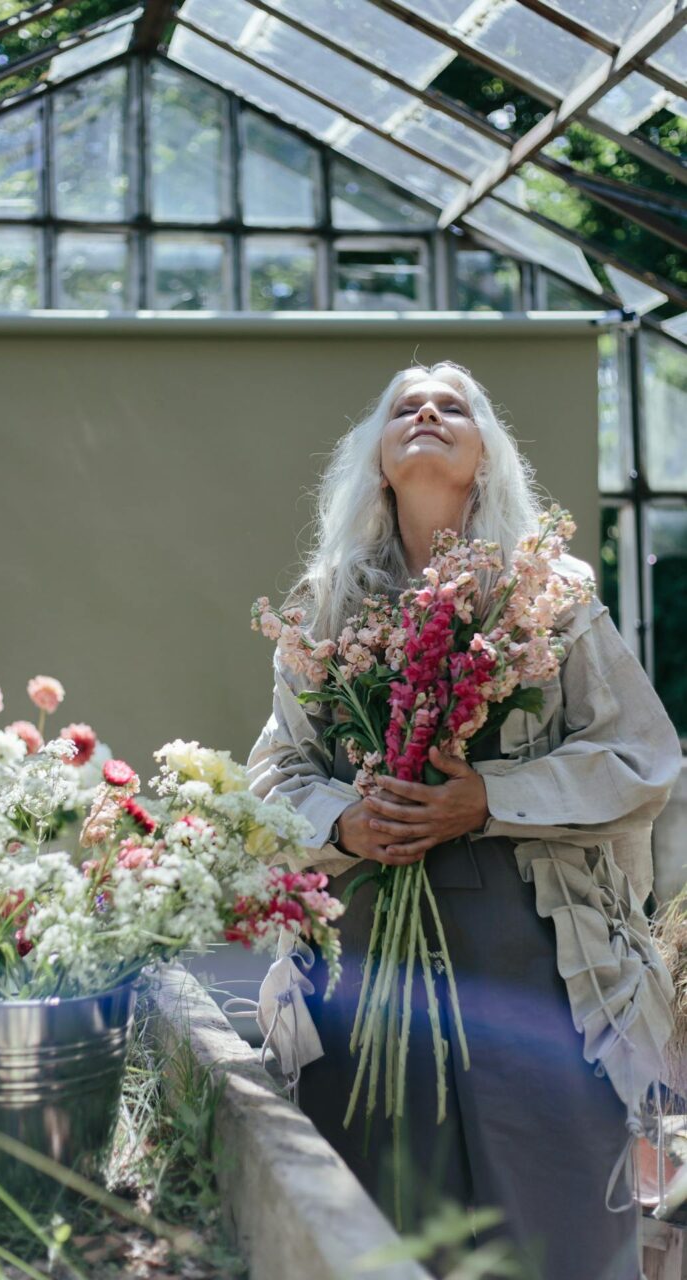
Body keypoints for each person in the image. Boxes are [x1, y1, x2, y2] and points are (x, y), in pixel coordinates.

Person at [246, 360, 682, 1280]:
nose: (429, 414)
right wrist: (347, 820)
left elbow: (642, 757)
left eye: (453, 406)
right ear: (376, 458)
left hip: (529, 948)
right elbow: (274, 774)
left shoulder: (550, 593)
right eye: (406, 407)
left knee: (551, 1199)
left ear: (486, 454)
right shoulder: (323, 603)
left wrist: (487, 800)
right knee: (381, 1204)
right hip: (363, 949)